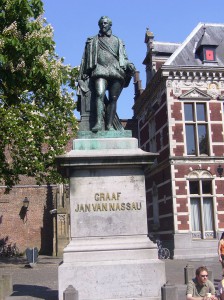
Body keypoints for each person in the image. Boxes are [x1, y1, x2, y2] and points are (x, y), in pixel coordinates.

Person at [78, 16, 136, 132]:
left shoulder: (118, 41)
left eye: (105, 23)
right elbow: (85, 58)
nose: (103, 25)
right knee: (99, 94)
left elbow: (124, 58)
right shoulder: (93, 40)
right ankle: (99, 123)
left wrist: (129, 65)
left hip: (116, 71)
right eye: (101, 24)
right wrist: (85, 72)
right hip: (100, 70)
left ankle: (109, 125)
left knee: (113, 98)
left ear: (110, 25)